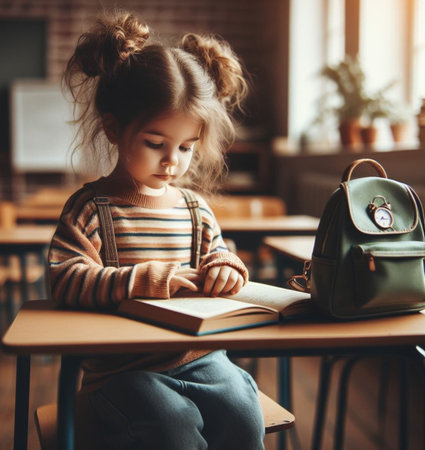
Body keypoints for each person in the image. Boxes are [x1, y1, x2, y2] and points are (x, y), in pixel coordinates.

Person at [48, 11, 265, 450]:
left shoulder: (195, 209)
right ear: (113, 128)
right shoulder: (92, 209)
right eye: (155, 144)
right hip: (122, 372)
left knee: (244, 411)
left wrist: (227, 268)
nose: (173, 161)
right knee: (172, 427)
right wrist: (147, 278)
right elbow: (64, 278)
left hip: (199, 360)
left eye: (186, 147)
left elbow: (220, 258)